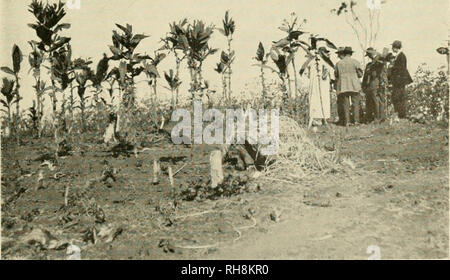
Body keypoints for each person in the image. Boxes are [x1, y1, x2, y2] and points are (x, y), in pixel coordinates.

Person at [334, 46, 364, 126]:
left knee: (345, 104)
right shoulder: (355, 62)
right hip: (354, 85)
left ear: (344, 53)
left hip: (343, 85)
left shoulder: (338, 63)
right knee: (355, 103)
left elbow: (336, 75)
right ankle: (356, 121)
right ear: (351, 54)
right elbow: (360, 74)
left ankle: (347, 122)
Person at [308, 47, 333, 127]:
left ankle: (321, 119)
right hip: (321, 85)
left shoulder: (312, 61)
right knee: (320, 100)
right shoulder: (320, 62)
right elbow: (325, 75)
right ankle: (318, 119)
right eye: (325, 53)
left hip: (319, 84)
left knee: (318, 100)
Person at [362, 47, 387, 123]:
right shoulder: (370, 64)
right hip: (370, 84)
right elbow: (365, 76)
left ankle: (378, 117)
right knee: (371, 100)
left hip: (377, 82)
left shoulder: (379, 61)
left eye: (369, 55)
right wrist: (364, 85)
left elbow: (381, 65)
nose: (369, 57)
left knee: (377, 100)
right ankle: (372, 117)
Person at [389, 40, 413, 119]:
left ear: (395, 48)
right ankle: (400, 114)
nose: (392, 49)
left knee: (399, 97)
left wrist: (392, 67)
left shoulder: (401, 56)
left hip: (400, 80)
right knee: (398, 97)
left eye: (393, 47)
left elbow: (402, 68)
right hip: (399, 80)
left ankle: (401, 115)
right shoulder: (399, 56)